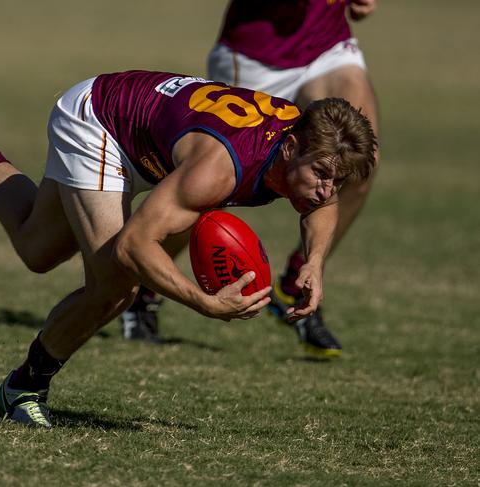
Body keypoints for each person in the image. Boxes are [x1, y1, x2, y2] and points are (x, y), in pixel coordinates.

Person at [0, 70, 376, 427]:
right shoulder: (219, 170)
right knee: (114, 287)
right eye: (322, 175)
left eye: (339, 180)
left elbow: (319, 206)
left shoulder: (306, 147)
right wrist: (204, 303)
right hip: (100, 121)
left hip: (149, 136)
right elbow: (135, 246)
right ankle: (24, 386)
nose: (327, 190)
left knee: (37, 249)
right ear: (289, 148)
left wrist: (313, 262)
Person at [122, 0, 379, 358]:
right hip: (257, 54)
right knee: (209, 188)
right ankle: (146, 288)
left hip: (326, 44)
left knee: (355, 162)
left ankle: (296, 280)